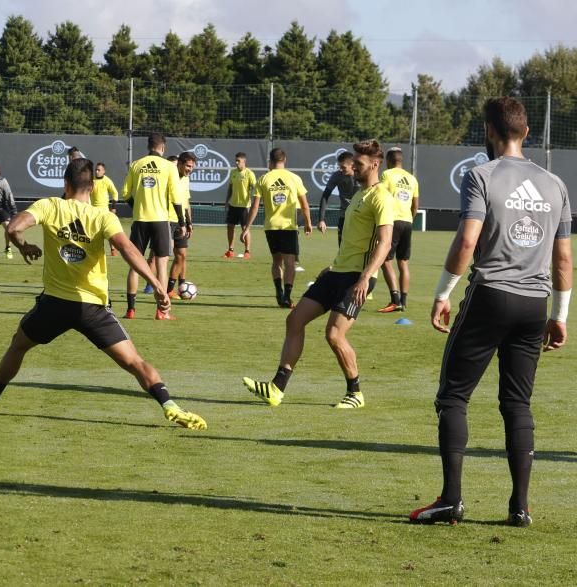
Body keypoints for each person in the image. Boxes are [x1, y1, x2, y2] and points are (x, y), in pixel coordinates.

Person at [410, 98, 571, 527]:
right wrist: (562, 316)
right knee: (517, 403)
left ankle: (451, 501)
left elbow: (467, 242)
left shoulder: (480, 175)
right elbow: (564, 260)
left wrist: (443, 293)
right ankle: (520, 507)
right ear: (527, 133)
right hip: (535, 305)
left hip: (491, 296)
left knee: (453, 396)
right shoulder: (555, 185)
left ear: (489, 131)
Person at [0, 158, 207, 431]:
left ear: (65, 184)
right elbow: (128, 250)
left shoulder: (50, 206)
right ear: (92, 188)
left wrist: (24, 246)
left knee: (19, 345)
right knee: (134, 362)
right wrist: (157, 284)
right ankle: (170, 405)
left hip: (54, 305)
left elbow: (12, 227)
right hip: (92, 308)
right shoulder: (103, 217)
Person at [242, 140, 394, 409]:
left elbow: (384, 243)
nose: (354, 168)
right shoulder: (359, 194)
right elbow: (353, 240)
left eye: (358, 164)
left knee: (334, 335)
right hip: (338, 272)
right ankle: (277, 388)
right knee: (295, 320)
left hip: (359, 278)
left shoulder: (381, 196)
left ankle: (355, 393)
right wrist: (333, 265)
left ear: (374, 164)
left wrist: (365, 277)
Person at [122, 132, 183, 320]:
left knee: (135, 266)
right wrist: (182, 221)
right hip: (160, 220)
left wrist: (138, 207)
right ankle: (162, 311)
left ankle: (131, 310)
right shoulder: (168, 166)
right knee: (161, 265)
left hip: (140, 220)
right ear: (163, 148)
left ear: (148, 147)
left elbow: (125, 193)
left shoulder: (136, 165)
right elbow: (175, 196)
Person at [243, 148, 312, 309]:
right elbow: (304, 204)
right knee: (290, 262)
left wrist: (247, 227)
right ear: (284, 160)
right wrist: (308, 222)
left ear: (270, 161)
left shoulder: (264, 179)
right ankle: (287, 296)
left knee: (276, 261)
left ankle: (278, 291)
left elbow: (254, 206)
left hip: (271, 227)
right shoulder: (294, 178)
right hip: (288, 227)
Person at [378, 147, 420, 313]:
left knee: (385, 260)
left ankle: (395, 299)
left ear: (388, 161)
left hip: (392, 221)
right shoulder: (412, 179)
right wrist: (409, 218)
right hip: (407, 221)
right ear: (400, 161)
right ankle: (404, 300)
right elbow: (415, 206)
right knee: (403, 263)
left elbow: (381, 197)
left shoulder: (387, 175)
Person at [168, 152, 196, 296]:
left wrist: (189, 222)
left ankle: (169, 290)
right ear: (179, 164)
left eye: (192, 167)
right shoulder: (170, 176)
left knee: (181, 255)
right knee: (160, 257)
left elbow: (185, 202)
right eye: (188, 166)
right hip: (167, 219)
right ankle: (152, 285)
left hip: (181, 222)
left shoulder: (186, 179)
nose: (190, 169)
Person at [316, 150, 357, 246]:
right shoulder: (337, 175)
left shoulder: (362, 176)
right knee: (342, 250)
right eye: (339, 167)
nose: (341, 170)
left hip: (361, 218)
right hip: (344, 217)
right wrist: (321, 220)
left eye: (343, 167)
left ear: (353, 165)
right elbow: (325, 196)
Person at [224, 151, 257, 259]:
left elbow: (255, 188)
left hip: (244, 206)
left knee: (245, 228)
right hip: (233, 205)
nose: (236, 162)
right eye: (236, 160)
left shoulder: (249, 174)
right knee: (230, 227)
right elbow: (230, 188)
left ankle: (247, 251)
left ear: (244, 161)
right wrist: (227, 201)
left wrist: (252, 200)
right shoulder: (233, 172)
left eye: (238, 161)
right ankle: (230, 250)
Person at [91, 162, 120, 256]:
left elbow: (115, 193)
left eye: (99, 170)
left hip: (104, 211)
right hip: (93, 211)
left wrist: (114, 208)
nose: (96, 171)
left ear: (103, 171)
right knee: (94, 232)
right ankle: (97, 249)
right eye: (96, 169)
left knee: (108, 231)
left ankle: (113, 249)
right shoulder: (91, 180)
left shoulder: (107, 181)